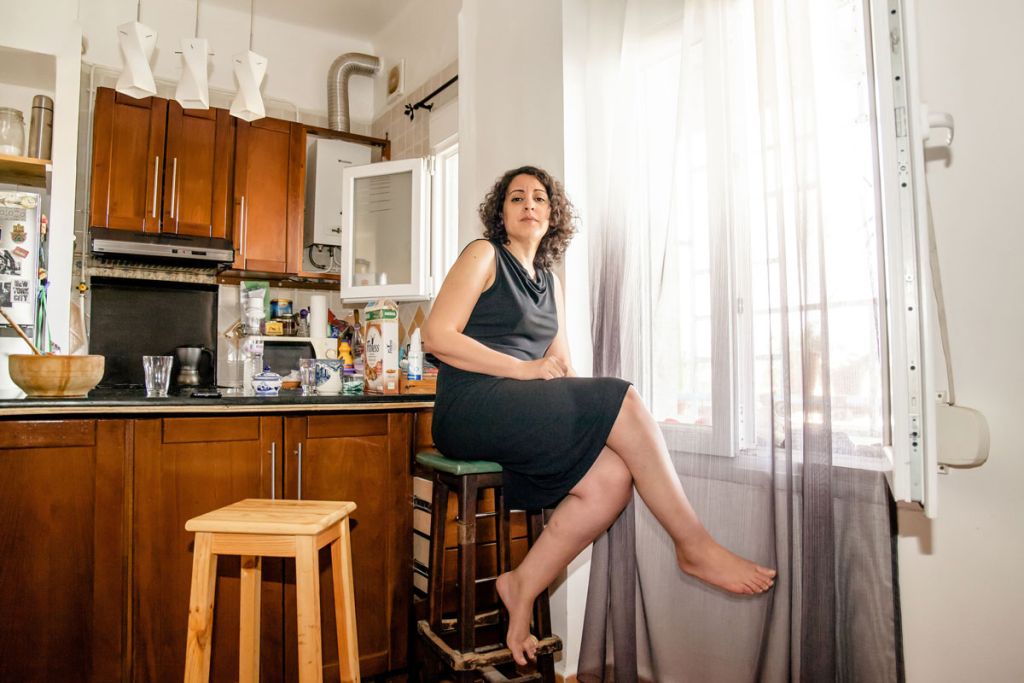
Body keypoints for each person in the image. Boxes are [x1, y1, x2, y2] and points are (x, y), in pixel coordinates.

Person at [421, 166, 776, 667]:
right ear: (500, 214)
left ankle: (520, 584)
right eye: (516, 197)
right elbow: (437, 337)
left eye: (539, 198)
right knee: (623, 396)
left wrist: (585, 420)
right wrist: (526, 372)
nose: (528, 204)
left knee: (611, 478)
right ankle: (693, 545)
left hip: (518, 407)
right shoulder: (484, 256)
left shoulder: (551, 284)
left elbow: (561, 371)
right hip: (471, 408)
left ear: (551, 215)